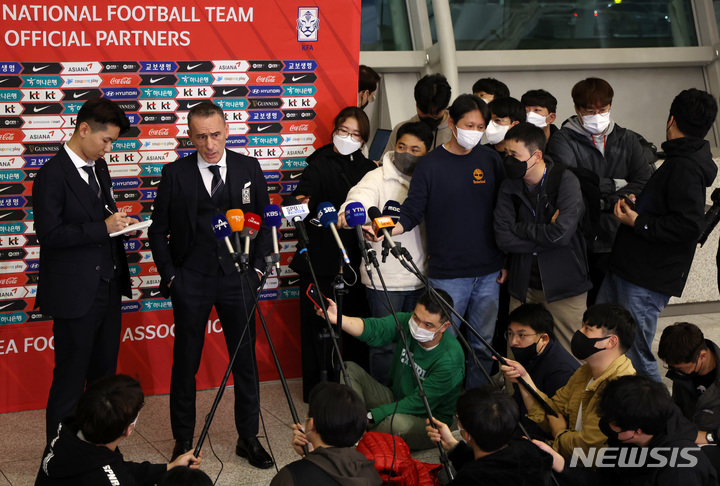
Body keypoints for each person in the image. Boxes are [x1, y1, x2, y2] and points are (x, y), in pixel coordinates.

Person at [148, 102, 273, 468]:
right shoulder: (175, 173)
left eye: (215, 134)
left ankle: (248, 437)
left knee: (245, 360)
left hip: (239, 278)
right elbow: (158, 230)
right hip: (192, 279)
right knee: (185, 361)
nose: (210, 144)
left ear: (226, 130)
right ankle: (183, 439)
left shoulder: (248, 167)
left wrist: (259, 270)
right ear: (190, 136)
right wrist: (172, 276)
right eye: (201, 136)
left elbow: (263, 220)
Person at [596, 88, 719, 382]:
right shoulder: (681, 160)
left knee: (635, 352)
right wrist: (642, 210)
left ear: (671, 119)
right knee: (602, 337)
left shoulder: (686, 167)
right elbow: (672, 212)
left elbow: (689, 226)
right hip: (631, 270)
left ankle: (660, 422)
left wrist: (638, 221)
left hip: (646, 278)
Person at [33, 97, 133, 441]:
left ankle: (97, 449)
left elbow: (100, 218)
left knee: (103, 380)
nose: (108, 149)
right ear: (84, 129)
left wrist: (118, 225)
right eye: (106, 141)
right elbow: (49, 234)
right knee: (70, 380)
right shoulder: (51, 174)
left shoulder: (99, 168)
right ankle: (57, 457)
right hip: (75, 295)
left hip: (108, 286)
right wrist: (102, 228)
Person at [392, 93, 506, 389]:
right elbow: (413, 210)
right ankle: (444, 407)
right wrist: (390, 228)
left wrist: (505, 259)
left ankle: (475, 404)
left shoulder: (491, 160)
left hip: (489, 270)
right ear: (452, 124)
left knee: (483, 343)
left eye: (481, 127)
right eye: (470, 125)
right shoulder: (430, 165)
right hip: (448, 273)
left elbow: (504, 213)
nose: (475, 133)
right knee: (444, 346)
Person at [290, 106, 378, 402]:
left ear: (363, 139)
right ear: (334, 130)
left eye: (355, 134)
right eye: (343, 131)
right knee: (318, 329)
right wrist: (304, 206)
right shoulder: (318, 163)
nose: (347, 137)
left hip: (356, 261)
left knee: (356, 328)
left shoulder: (369, 169)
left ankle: (356, 389)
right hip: (320, 259)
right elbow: (301, 200)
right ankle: (317, 392)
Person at [338, 121, 433, 385]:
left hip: (420, 276)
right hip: (384, 281)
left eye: (415, 149)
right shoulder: (377, 176)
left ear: (428, 151)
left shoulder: (431, 176)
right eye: (401, 146)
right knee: (384, 345)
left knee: (415, 346)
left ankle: (408, 397)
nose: (406, 154)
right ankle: (382, 399)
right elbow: (359, 198)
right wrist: (350, 214)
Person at [546, 78, 652, 305]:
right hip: (584, 239)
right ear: (577, 109)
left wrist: (603, 201)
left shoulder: (628, 139)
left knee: (620, 307)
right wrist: (618, 184)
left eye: (603, 110)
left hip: (621, 236)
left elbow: (644, 180)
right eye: (590, 111)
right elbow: (572, 182)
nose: (597, 116)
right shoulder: (562, 140)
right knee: (590, 306)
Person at [317, 289, 464, 450]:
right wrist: (337, 319)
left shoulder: (450, 358)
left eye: (428, 325)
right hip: (395, 398)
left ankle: (355, 432)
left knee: (396, 424)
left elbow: (419, 403)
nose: (418, 326)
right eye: (416, 317)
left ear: (444, 326)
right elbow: (374, 328)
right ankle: (357, 430)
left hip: (429, 421)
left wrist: (372, 415)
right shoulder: (407, 322)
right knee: (349, 369)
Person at [494, 123, 591, 351]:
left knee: (569, 352)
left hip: (565, 286)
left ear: (537, 155)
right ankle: (515, 389)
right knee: (517, 349)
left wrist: (521, 228)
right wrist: (544, 231)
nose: (509, 160)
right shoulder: (509, 185)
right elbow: (503, 238)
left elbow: (561, 236)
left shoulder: (565, 181)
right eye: (507, 153)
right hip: (523, 285)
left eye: (515, 155)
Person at [501, 303, 636, 457]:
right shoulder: (584, 372)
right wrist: (524, 379)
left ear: (610, 341)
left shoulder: (620, 389)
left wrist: (559, 432)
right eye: (582, 326)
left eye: (587, 329)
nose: (579, 332)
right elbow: (551, 412)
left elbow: (586, 449)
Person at [535, 375, 717, 486]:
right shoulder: (627, 436)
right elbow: (605, 482)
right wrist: (560, 464)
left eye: (613, 423)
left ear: (636, 431)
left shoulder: (680, 468)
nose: (606, 425)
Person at [36, 374, 201, 486]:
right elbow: (113, 473)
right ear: (127, 430)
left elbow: (116, 467)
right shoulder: (112, 479)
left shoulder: (66, 436)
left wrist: (169, 468)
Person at [426, 386, 554, 486]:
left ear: (467, 435)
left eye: (459, 418)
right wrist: (452, 445)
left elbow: (483, 471)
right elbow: (493, 464)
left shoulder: (468, 479)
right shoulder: (529, 448)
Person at [271, 383, 382, 486]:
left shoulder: (289, 477)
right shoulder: (371, 473)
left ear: (312, 423)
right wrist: (311, 456)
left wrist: (308, 460)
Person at [504, 304, 579, 440]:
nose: (513, 342)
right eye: (510, 334)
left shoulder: (560, 371)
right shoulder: (533, 354)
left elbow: (555, 424)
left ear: (544, 338)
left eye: (521, 335)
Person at [658, 322, 720, 445]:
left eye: (680, 369)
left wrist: (710, 437)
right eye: (672, 368)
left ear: (702, 356)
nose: (677, 373)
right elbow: (678, 405)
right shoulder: (683, 371)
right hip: (685, 438)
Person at [383, 73, 452, 155]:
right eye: (424, 112)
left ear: (445, 106)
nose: (429, 117)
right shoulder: (402, 130)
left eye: (435, 114)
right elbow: (386, 162)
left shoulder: (457, 130)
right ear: (416, 104)